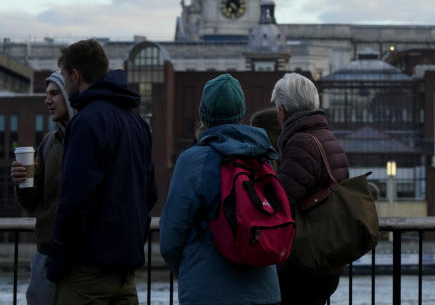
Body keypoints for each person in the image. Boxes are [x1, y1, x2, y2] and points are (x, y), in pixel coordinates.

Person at [47, 39, 156, 305]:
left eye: (64, 76)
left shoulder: (87, 121)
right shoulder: (136, 122)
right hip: (125, 271)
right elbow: (149, 193)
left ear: (76, 75)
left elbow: (75, 200)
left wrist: (58, 261)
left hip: (86, 274)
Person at [160, 73, 281, 305]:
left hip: (208, 291)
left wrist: (191, 269)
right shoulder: (262, 157)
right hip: (264, 291)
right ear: (241, 112)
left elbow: (170, 237)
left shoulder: (192, 161)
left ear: (203, 113)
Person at [271, 72, 350, 305]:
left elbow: (281, 202)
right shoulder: (327, 137)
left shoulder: (300, 143)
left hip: (304, 264)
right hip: (327, 258)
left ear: (283, 111)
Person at [10, 71, 75, 305]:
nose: (47, 100)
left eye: (54, 94)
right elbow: (34, 203)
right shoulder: (48, 141)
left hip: (79, 261)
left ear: (70, 96)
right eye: (47, 94)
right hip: (45, 255)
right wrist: (22, 184)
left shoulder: (88, 139)